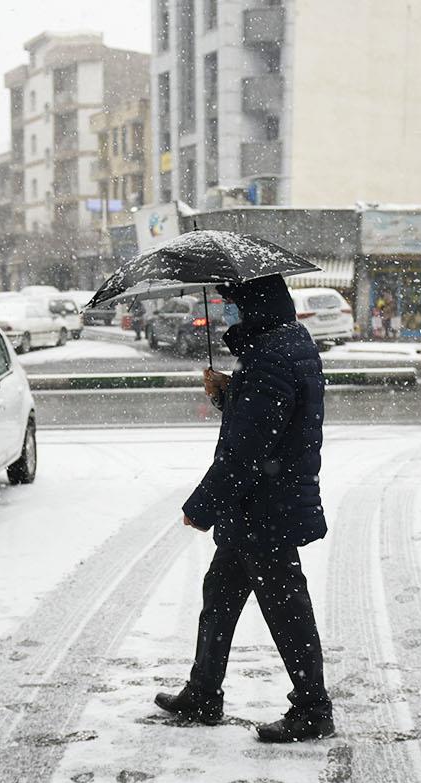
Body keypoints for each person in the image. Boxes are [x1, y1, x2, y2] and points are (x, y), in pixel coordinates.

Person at [156, 273, 334, 743]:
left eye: (231, 303)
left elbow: (247, 450)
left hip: (264, 508)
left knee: (286, 608)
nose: (225, 311)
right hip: (262, 503)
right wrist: (230, 392)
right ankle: (203, 694)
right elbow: (273, 416)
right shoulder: (285, 345)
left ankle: (313, 709)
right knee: (220, 594)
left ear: (253, 307)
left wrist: (202, 506)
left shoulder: (269, 359)